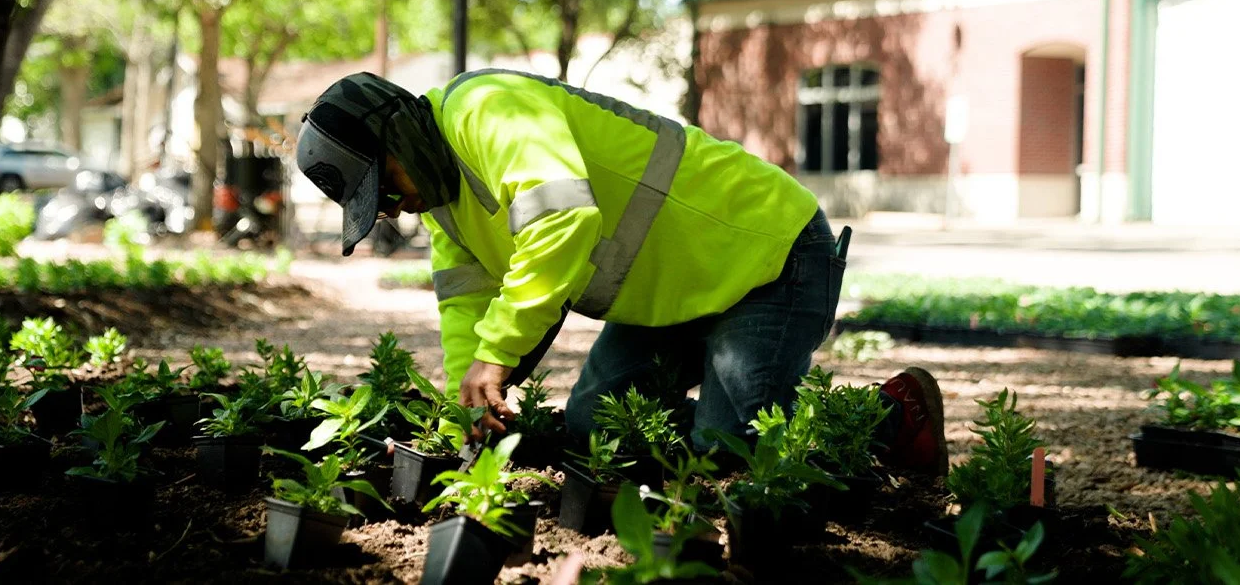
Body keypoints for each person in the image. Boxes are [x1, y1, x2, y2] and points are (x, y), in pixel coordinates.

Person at [293, 69, 947, 475]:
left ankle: (894, 416)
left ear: (400, 136)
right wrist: (471, 400)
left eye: (385, 187)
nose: (391, 209)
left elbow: (561, 219)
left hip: (766, 256)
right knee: (597, 428)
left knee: (731, 449)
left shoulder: (487, 109)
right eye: (375, 206)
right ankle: (735, 412)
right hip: (674, 297)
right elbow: (466, 303)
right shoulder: (445, 208)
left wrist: (500, 354)